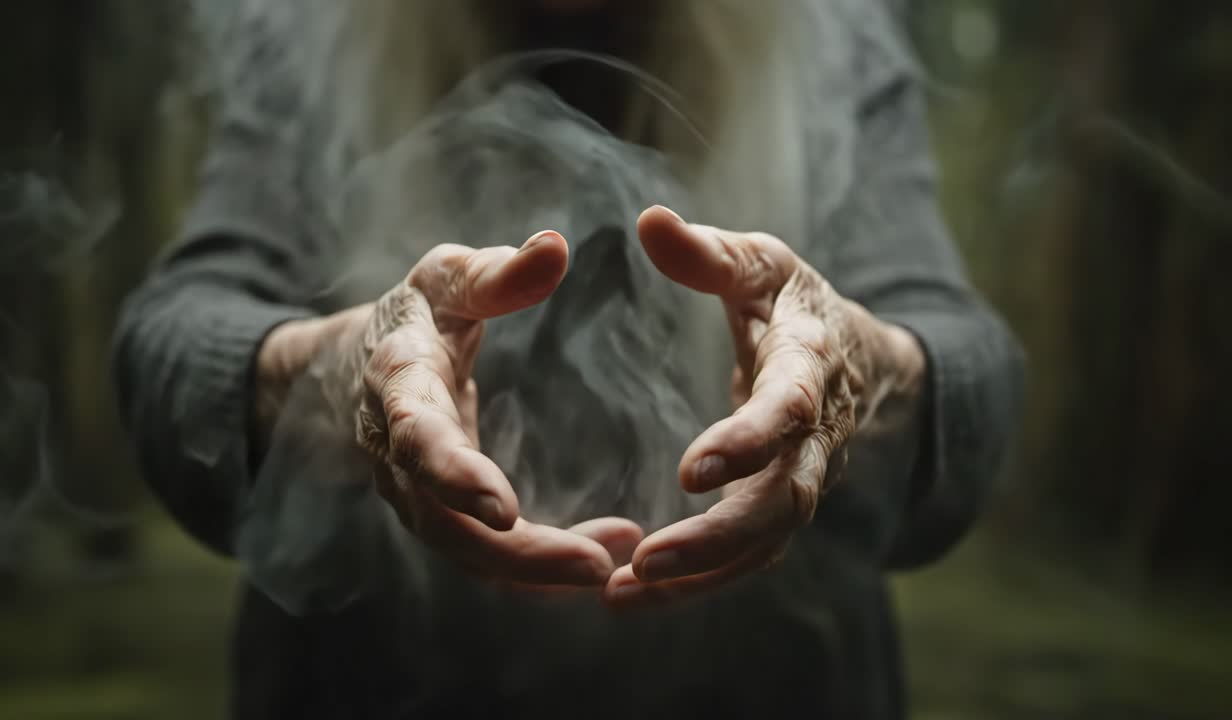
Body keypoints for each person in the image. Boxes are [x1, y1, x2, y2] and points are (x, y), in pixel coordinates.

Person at [114, 0, 1024, 717]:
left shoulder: (833, 35)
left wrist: (859, 368)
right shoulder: (309, 30)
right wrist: (329, 376)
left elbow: (965, 362)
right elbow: (175, 334)